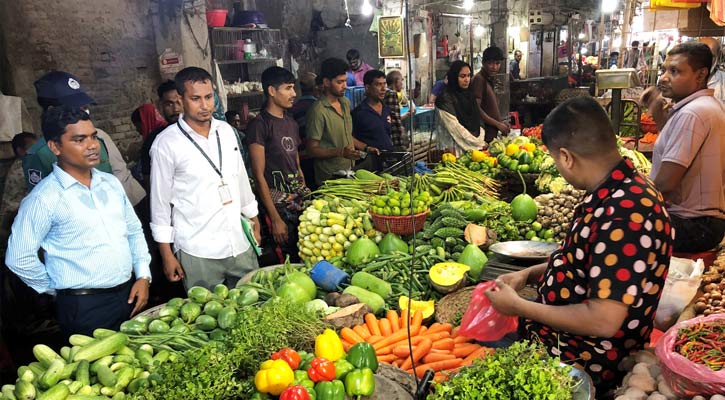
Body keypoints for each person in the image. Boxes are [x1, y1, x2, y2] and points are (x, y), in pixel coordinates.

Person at [485, 96, 674, 394]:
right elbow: (584, 260)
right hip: (556, 341)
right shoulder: (614, 189)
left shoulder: (625, 215)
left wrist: (519, 306)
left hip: (581, 361)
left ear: (566, 157)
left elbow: (603, 321)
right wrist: (528, 274)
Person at [5, 106, 152, 337]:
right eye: (79, 139)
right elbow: (18, 257)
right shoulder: (44, 199)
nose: (92, 145)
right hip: (84, 308)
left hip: (130, 294)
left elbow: (133, 231)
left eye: (93, 136)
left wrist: (143, 275)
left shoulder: (110, 184)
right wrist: (59, 289)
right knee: (99, 370)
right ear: (55, 147)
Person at [150, 67, 261, 290]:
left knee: (253, 306)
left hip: (238, 241)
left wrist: (255, 220)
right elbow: (160, 204)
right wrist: (166, 254)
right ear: (181, 100)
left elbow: (240, 179)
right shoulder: (166, 144)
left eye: (209, 97)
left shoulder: (226, 131)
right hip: (197, 249)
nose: (205, 105)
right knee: (209, 317)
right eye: (196, 99)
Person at [25, 71, 146, 206]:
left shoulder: (100, 137)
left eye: (84, 106)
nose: (84, 112)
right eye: (75, 108)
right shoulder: (39, 155)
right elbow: (42, 203)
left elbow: (121, 177)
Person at [650, 42, 725, 253]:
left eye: (674, 71)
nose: (663, 77)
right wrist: (658, 116)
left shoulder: (692, 113)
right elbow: (678, 147)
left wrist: (629, 200)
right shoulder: (709, 106)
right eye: (664, 70)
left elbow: (665, 184)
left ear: (700, 75)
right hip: (705, 223)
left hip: (692, 225)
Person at [246, 66, 311, 264]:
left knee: (306, 252)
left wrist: (306, 194)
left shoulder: (290, 122)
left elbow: (296, 163)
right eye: (288, 88)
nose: (293, 94)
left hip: (298, 200)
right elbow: (258, 176)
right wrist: (275, 218)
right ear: (272, 91)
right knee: (287, 259)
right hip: (277, 205)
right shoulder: (260, 125)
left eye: (293, 88)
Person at [306, 58, 366, 185]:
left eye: (345, 81)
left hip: (349, 171)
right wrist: (340, 152)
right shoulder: (318, 111)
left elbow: (347, 135)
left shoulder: (345, 102)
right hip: (330, 178)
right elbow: (312, 150)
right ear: (327, 82)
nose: (345, 86)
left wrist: (365, 147)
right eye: (340, 82)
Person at [434, 60, 487, 155]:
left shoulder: (469, 95)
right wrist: (479, 144)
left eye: (468, 75)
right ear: (454, 77)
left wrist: (479, 140)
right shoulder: (445, 99)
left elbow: (478, 121)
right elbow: (456, 129)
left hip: (473, 149)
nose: (467, 79)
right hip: (453, 150)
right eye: (462, 76)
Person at [0, 132, 37, 259]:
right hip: (12, 219)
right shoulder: (22, 170)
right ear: (20, 150)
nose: (35, 151)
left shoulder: (24, 165)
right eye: (31, 148)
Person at [139, 80, 183, 187]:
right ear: (160, 106)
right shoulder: (154, 141)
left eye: (179, 102)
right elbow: (149, 180)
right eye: (169, 104)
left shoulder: (200, 133)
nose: (176, 109)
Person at [352, 70, 389, 170]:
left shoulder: (386, 108)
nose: (383, 89)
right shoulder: (359, 113)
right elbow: (349, 138)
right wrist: (366, 148)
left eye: (384, 84)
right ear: (367, 88)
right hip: (369, 166)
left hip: (387, 162)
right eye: (378, 85)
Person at [473, 46, 509, 142]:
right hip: (483, 136)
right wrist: (498, 124)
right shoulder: (479, 79)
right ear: (483, 63)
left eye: (497, 63)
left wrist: (501, 122)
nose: (494, 67)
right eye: (490, 63)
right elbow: (476, 109)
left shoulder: (489, 79)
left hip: (491, 135)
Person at [291, 72, 319, 187]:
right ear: (315, 88)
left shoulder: (294, 108)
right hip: (316, 156)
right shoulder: (317, 107)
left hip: (300, 157)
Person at [383, 70, 410, 150]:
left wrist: (406, 115)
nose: (402, 84)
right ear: (396, 81)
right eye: (401, 80)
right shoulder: (392, 94)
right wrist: (401, 135)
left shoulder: (386, 93)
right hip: (393, 135)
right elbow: (394, 119)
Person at [697, 37, 725, 104]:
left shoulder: (723, 81)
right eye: (699, 55)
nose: (704, 60)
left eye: (710, 56)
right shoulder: (685, 78)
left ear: (718, 57)